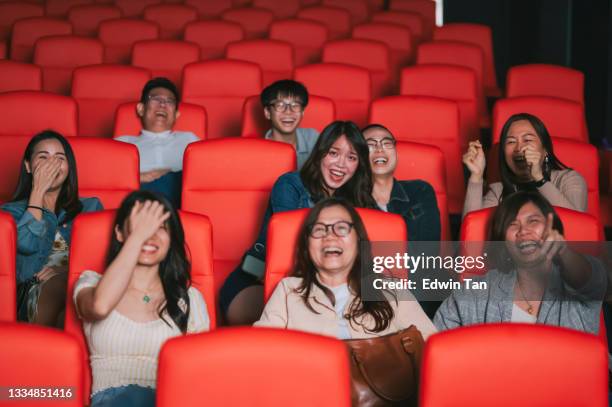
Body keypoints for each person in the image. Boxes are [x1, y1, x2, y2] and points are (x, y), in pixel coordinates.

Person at [220, 121, 377, 325]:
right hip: (258, 281)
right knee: (312, 312)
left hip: (327, 290)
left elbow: (373, 251)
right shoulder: (291, 185)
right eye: (333, 153)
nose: (341, 164)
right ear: (320, 153)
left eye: (351, 158)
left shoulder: (359, 200)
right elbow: (291, 250)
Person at [74, 190, 209, 407]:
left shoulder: (190, 299)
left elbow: (200, 375)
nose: (150, 235)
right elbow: (99, 307)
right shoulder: (91, 282)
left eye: (160, 227)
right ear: (119, 233)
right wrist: (137, 238)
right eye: (141, 225)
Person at [255, 197, 436, 339]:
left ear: (358, 241)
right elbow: (263, 352)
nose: (330, 236)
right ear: (307, 245)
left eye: (341, 228)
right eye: (319, 229)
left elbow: (432, 350)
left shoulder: (392, 290)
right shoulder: (288, 290)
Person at [435, 190, 605, 333]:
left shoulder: (578, 285)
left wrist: (564, 252)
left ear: (553, 228)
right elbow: (440, 346)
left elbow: (593, 280)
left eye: (533, 221)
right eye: (513, 225)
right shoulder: (474, 292)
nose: (523, 231)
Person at [1, 130, 103, 326]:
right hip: (33, 293)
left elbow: (100, 260)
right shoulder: (9, 212)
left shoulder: (91, 207)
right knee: (66, 288)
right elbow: (27, 246)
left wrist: (65, 272)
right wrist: (38, 190)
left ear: (69, 167)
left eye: (59, 158)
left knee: (72, 304)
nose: (53, 164)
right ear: (28, 166)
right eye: (43, 157)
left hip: (81, 289)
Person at [462, 113, 587, 217]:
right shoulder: (499, 191)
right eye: (511, 141)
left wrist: (539, 179)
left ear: (545, 150)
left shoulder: (568, 179)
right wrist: (476, 177)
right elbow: (471, 235)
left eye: (527, 140)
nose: (519, 148)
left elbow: (575, 227)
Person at [115, 77, 199, 207]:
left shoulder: (189, 139)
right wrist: (138, 177)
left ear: (176, 114)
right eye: (155, 99)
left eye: (169, 101)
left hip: (179, 197)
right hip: (137, 198)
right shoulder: (123, 143)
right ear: (141, 108)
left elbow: (204, 176)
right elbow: (110, 181)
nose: (163, 105)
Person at [362, 124, 441, 241]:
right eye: (370, 145)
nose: (379, 149)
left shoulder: (420, 191)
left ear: (396, 155)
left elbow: (429, 252)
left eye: (387, 143)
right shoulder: (349, 202)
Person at [261, 79, 319, 169]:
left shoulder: (313, 138)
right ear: (267, 112)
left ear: (303, 112)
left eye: (295, 105)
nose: (288, 111)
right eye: (280, 105)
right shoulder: (259, 151)